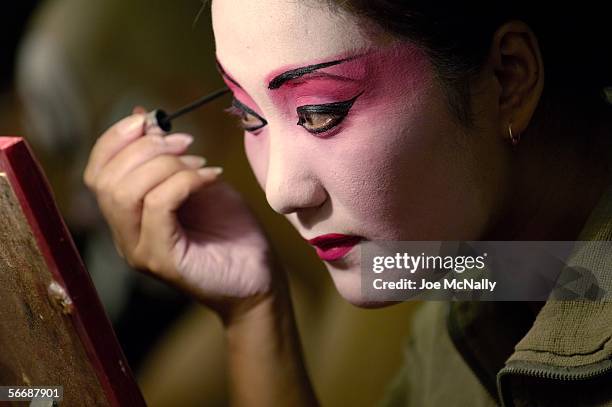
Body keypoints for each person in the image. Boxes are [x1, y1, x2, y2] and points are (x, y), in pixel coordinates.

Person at [83, 1, 612, 405]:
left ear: (508, 79)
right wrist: (254, 311)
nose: (281, 191)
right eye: (248, 116)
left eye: (320, 111)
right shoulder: (486, 268)